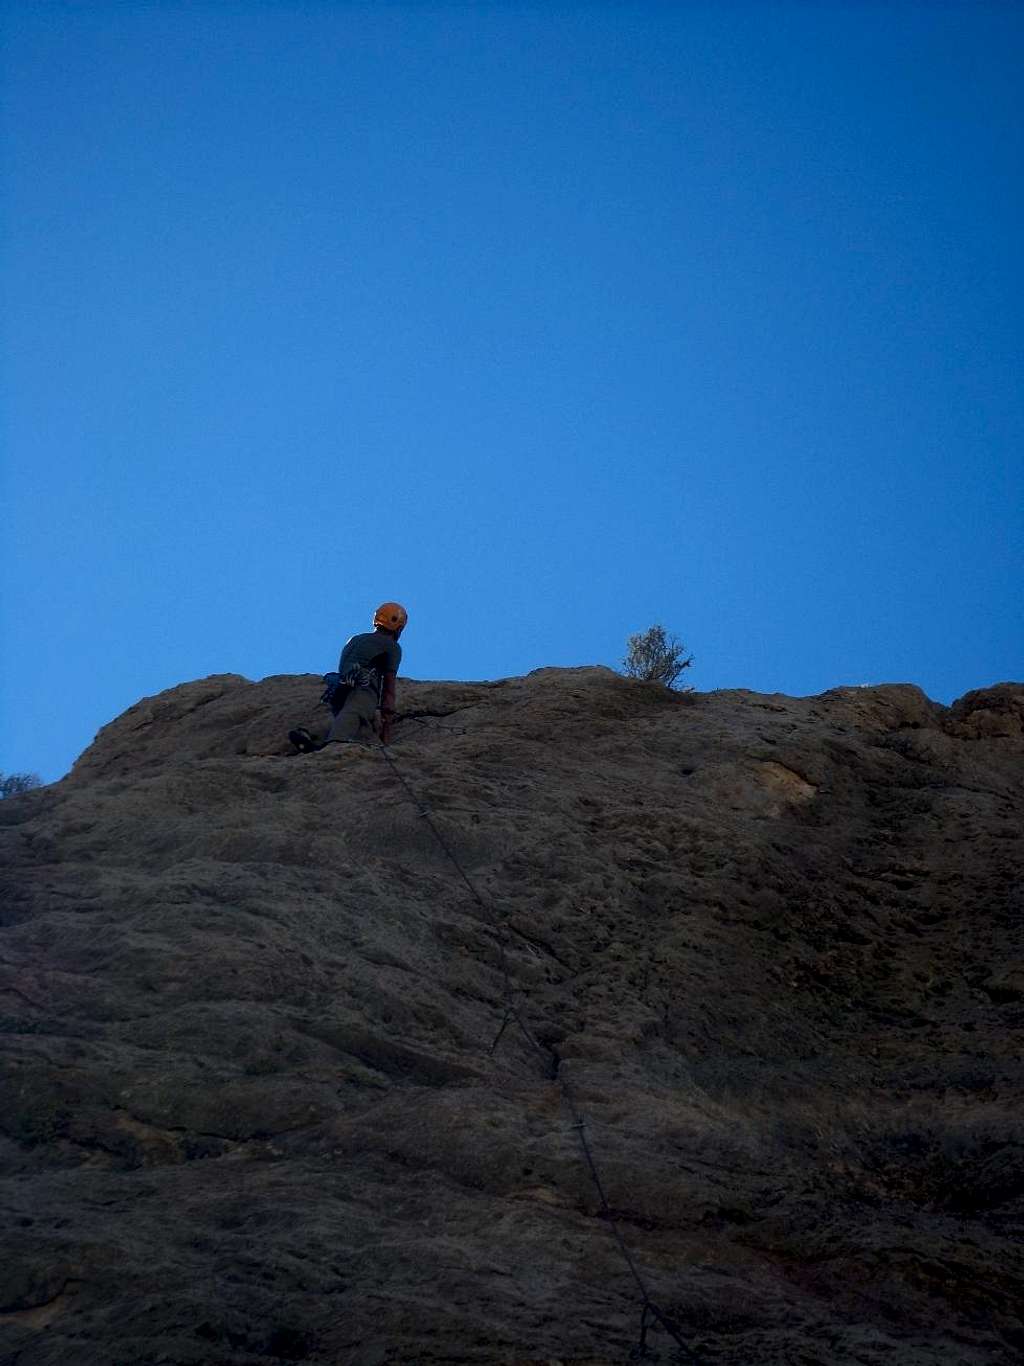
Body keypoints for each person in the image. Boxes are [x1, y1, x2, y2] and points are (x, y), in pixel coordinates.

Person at [289, 602, 407, 753]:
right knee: (357, 711)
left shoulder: (356, 639)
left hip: (340, 682)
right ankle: (335, 744)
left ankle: (310, 735)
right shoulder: (392, 647)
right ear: (399, 627)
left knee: (342, 715)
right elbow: (389, 685)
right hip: (363, 683)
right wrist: (388, 712)